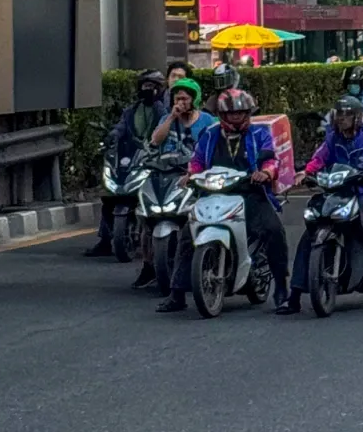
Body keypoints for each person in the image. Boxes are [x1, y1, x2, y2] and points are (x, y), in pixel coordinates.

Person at [156, 88, 291, 314]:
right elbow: (197, 161)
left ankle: (282, 290)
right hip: (213, 193)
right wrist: (191, 175)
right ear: (222, 115)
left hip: (250, 193)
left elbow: (271, 160)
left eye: (241, 113)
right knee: (188, 236)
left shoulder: (259, 134)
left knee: (273, 230)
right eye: (231, 114)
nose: (237, 117)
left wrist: (265, 173)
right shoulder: (209, 134)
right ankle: (177, 293)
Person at [278, 96, 363, 315]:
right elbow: (318, 160)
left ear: (357, 118)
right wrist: (305, 173)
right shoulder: (332, 140)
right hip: (336, 192)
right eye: (339, 115)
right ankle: (293, 297)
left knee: (362, 222)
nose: (342, 119)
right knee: (309, 235)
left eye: (347, 115)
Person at [130, 78, 218, 289]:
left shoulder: (208, 121)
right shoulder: (166, 120)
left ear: (194, 100)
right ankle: (148, 265)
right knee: (145, 214)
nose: (181, 102)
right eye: (177, 98)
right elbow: (155, 141)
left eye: (185, 99)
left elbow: (217, 146)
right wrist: (171, 118)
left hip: (195, 178)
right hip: (165, 175)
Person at [85, 69, 168, 257]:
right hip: (132, 156)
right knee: (110, 195)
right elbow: (120, 128)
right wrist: (112, 137)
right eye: (145, 86)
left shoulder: (165, 111)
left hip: (156, 161)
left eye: (152, 87)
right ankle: (105, 239)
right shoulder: (131, 110)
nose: (148, 90)